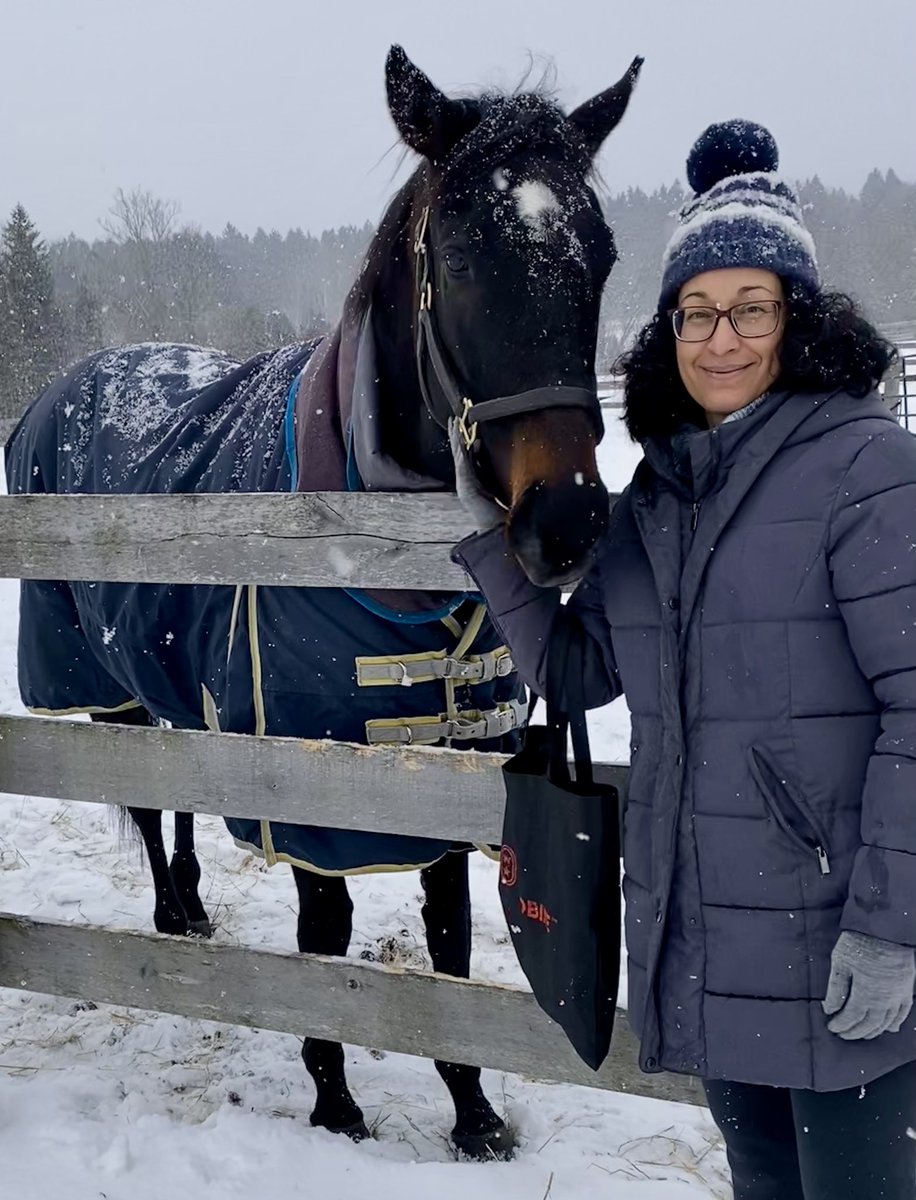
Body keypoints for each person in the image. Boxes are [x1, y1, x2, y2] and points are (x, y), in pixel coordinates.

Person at [450, 119, 916, 1199]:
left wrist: (892, 933)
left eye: (751, 308)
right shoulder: (658, 497)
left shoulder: (868, 472)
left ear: (798, 320)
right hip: (710, 947)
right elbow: (577, 677)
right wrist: (492, 539)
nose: (721, 339)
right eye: (696, 313)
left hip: (843, 950)